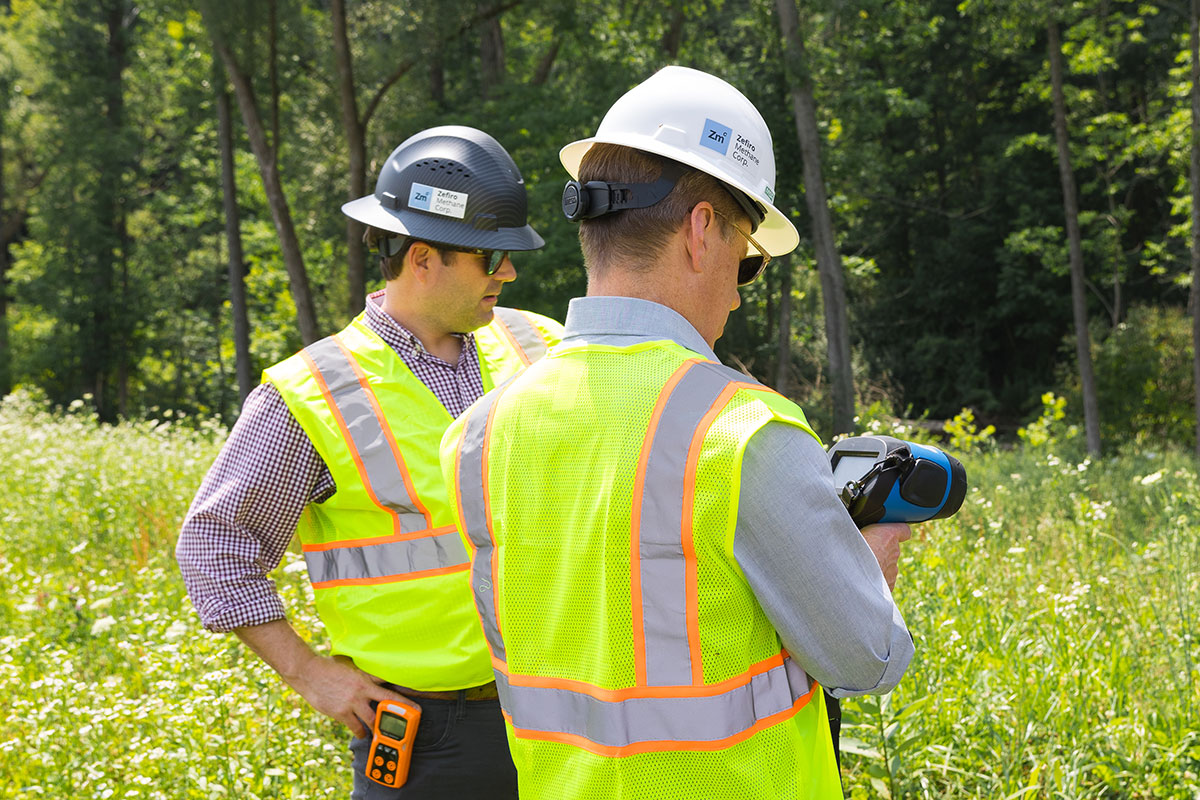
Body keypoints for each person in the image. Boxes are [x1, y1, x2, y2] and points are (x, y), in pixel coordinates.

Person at [440, 67, 913, 799]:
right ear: (700, 230)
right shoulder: (742, 431)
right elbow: (866, 659)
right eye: (746, 260)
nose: (735, 288)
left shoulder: (479, 435)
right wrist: (870, 560)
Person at [176, 125, 563, 799]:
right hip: (434, 743)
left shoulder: (543, 346)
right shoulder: (311, 395)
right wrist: (313, 676)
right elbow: (214, 546)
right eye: (491, 257)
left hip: (565, 715)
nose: (509, 272)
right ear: (421, 258)